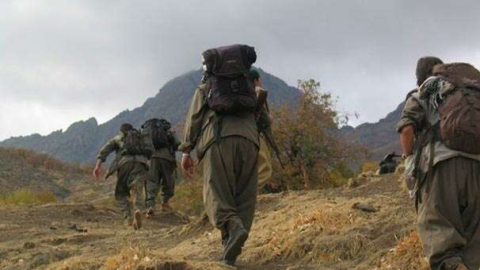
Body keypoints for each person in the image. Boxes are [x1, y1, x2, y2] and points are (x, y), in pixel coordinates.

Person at [397, 56, 480, 270]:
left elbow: (407, 129)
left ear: (419, 78)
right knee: (474, 246)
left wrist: (408, 160)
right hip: (477, 166)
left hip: (442, 168)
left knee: (441, 239)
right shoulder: (467, 90)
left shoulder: (426, 90)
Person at [180, 45, 259, 267]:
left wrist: (187, 151)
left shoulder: (207, 86)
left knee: (216, 193)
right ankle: (230, 254)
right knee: (244, 197)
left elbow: (194, 117)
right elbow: (262, 116)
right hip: (250, 142)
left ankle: (233, 230)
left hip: (219, 139)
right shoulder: (248, 85)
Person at [93, 123, 150, 230]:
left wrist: (97, 167)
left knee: (121, 193)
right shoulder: (140, 137)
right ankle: (138, 209)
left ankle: (128, 217)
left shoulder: (118, 138)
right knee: (138, 188)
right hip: (141, 164)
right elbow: (150, 151)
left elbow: (104, 151)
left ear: (122, 130)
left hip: (125, 164)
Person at [145, 119, 181, 216]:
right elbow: (177, 143)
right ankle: (165, 203)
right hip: (166, 158)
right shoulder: (167, 131)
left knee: (152, 181)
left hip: (152, 159)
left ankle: (150, 206)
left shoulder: (149, 132)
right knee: (168, 181)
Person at [250, 70, 274, 189]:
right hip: (251, 134)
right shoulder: (256, 93)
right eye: (259, 80)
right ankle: (247, 194)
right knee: (265, 168)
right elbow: (266, 121)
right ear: (255, 80)